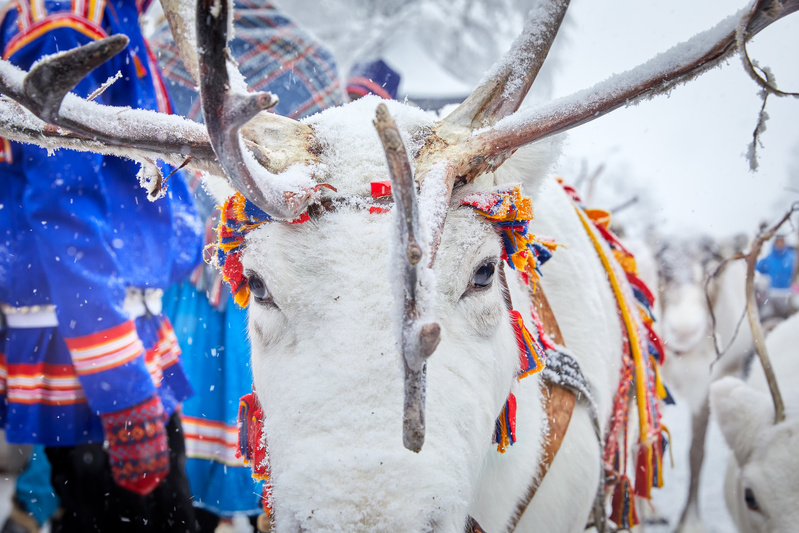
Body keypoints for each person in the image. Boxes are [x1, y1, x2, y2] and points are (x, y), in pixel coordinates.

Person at [0, 0, 202, 531]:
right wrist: (123, 395)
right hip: (91, 330)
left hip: (106, 315)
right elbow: (64, 211)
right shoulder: (64, 21)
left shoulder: (100, 11)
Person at [148, 1, 342, 531]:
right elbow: (327, 177)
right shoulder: (311, 59)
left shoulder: (165, 53)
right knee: (271, 418)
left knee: (182, 437)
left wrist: (204, 216)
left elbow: (151, 163)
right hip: (273, 280)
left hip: (192, 275)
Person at [756, 235, 798, 319]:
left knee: (789, 318)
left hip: (789, 293)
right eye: (778, 242)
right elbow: (757, 267)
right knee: (767, 317)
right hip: (772, 293)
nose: (780, 244)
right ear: (774, 243)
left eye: (782, 241)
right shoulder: (769, 258)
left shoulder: (793, 257)